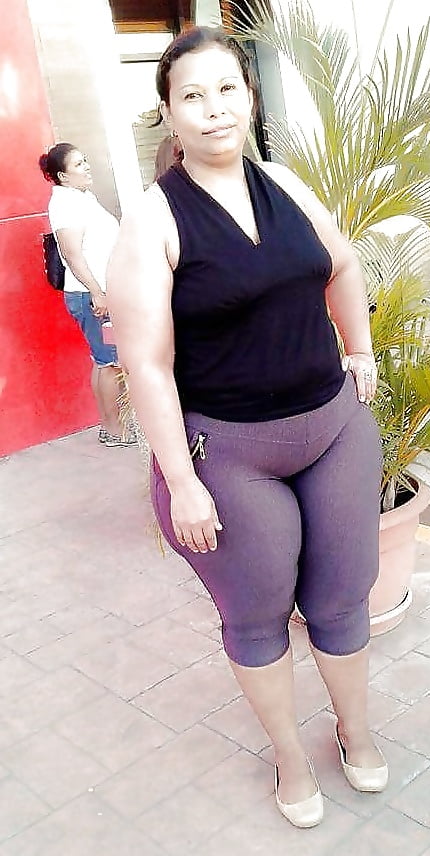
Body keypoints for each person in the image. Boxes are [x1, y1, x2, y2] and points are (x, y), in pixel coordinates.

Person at [107, 27, 387, 829]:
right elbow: (147, 365)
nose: (214, 108)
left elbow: (342, 263)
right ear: (169, 113)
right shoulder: (154, 221)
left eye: (227, 88)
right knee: (258, 617)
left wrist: (360, 349)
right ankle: (290, 758)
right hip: (232, 455)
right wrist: (183, 481)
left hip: (333, 431)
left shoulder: (285, 183)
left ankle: (355, 732)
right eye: (192, 95)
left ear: (250, 95)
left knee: (342, 600)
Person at [39, 143, 136, 447]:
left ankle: (109, 426)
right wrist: (97, 292)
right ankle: (115, 431)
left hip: (98, 292)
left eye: (85, 160)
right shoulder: (65, 204)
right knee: (111, 363)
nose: (87, 167)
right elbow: (72, 255)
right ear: (63, 176)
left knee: (103, 361)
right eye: (79, 164)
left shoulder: (81, 197)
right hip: (90, 296)